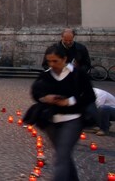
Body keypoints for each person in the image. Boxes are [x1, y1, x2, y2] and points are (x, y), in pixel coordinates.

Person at [31, 44, 95, 181]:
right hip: (51, 122)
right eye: (49, 61)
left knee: (61, 155)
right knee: (63, 155)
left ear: (64, 58)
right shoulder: (46, 75)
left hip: (73, 119)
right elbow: (36, 92)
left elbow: (90, 96)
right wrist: (45, 98)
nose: (52, 64)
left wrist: (69, 101)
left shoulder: (78, 74)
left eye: (55, 61)